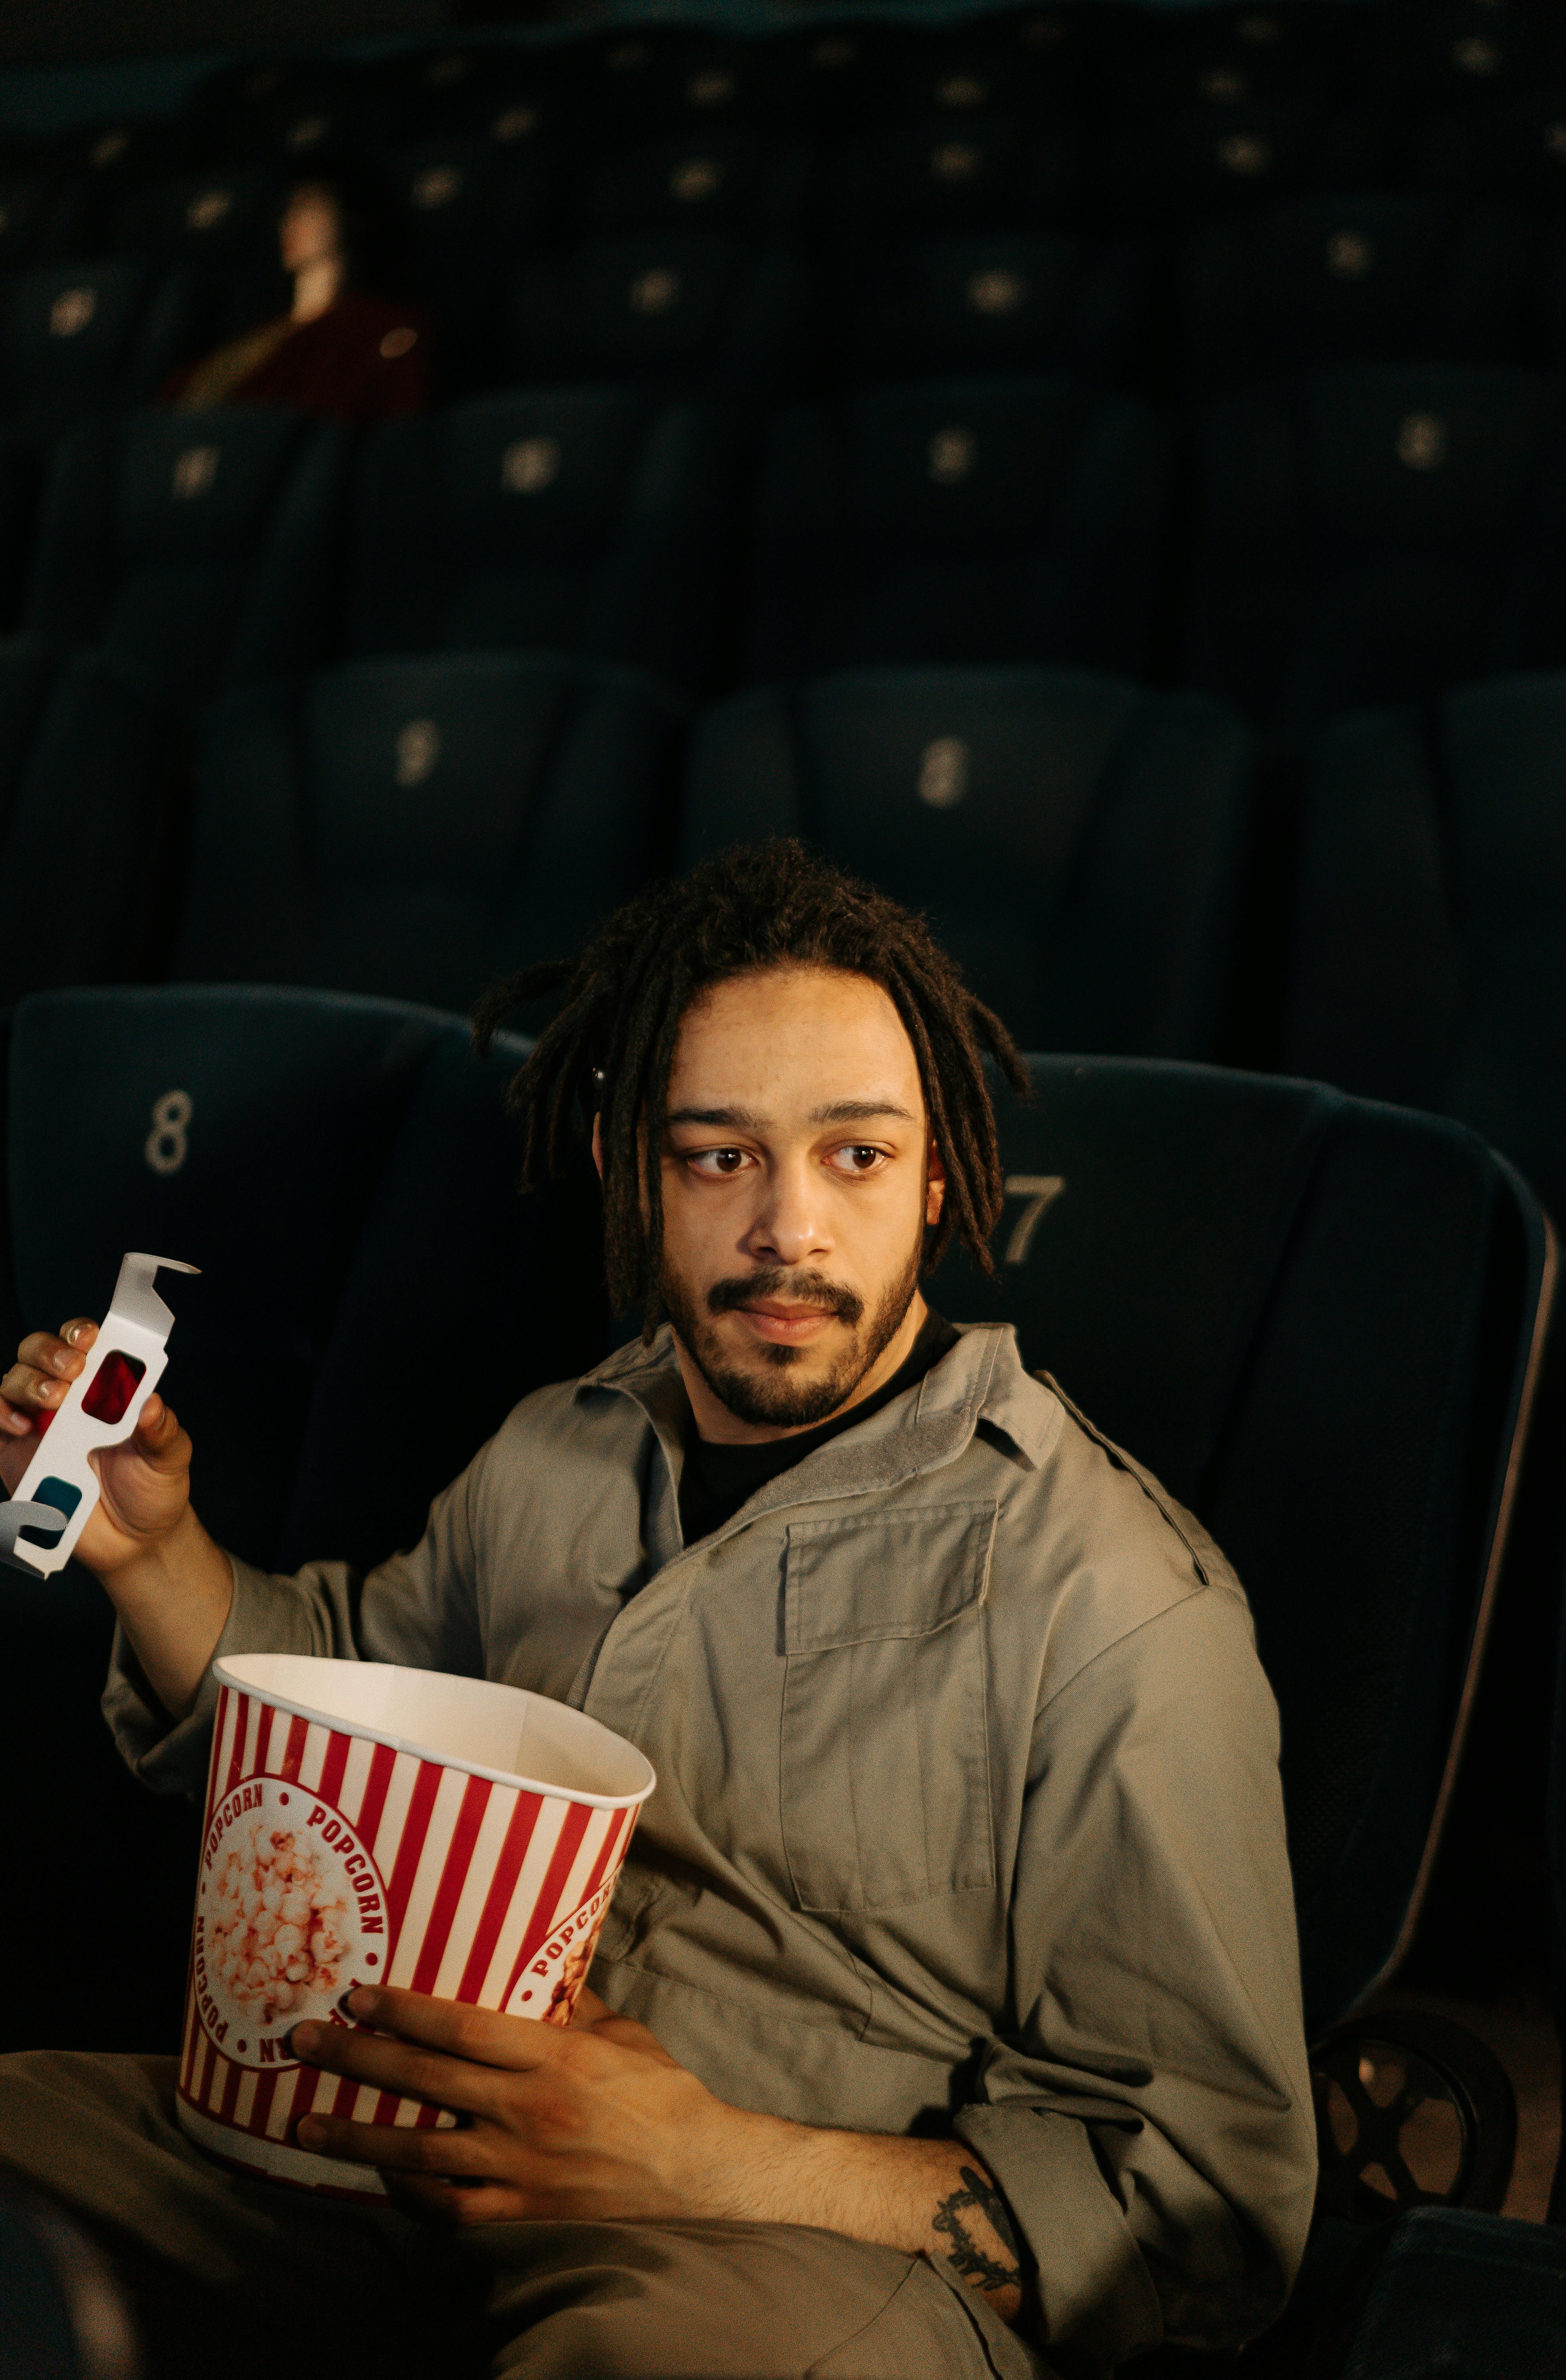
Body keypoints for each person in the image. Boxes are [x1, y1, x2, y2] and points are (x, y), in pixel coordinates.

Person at [0, 843, 1315, 2380]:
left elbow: (1209, 2209)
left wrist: (708, 2162)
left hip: (785, 2253)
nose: (789, 1230)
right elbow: (348, 1705)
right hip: (397, 2158)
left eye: (857, 1157)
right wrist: (152, 1553)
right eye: (719, 1156)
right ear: (636, 1169)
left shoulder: (1113, 1596)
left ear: (943, 1176)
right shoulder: (558, 1448)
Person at [162, 169, 429, 423]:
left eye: (310, 207)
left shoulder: (375, 326)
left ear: (347, 216)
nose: (291, 221)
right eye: (289, 210)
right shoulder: (260, 336)